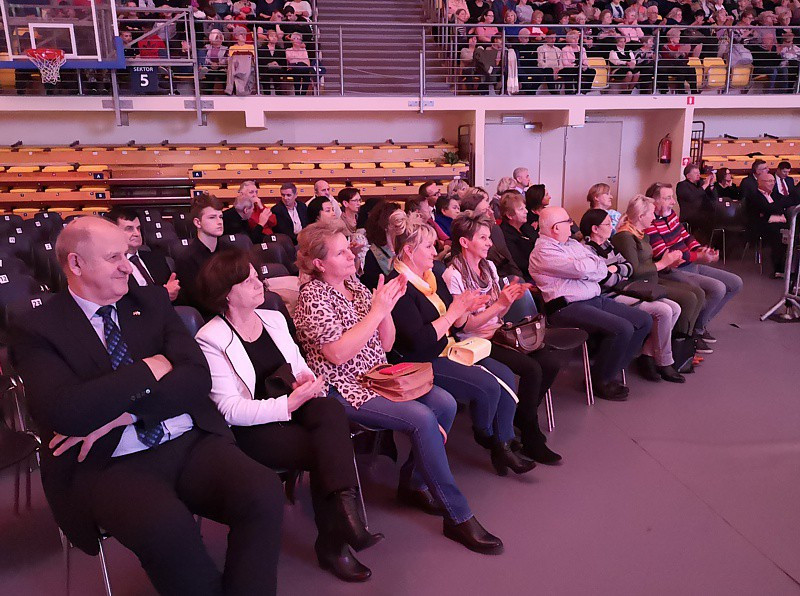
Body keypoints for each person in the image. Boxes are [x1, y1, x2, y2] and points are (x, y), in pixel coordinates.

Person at [11, 217, 284, 595]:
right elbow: (65, 411)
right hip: (110, 464)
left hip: (187, 441)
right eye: (113, 257)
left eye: (127, 254)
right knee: (168, 529)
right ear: (75, 264)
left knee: (262, 490)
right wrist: (150, 367)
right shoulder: (38, 327)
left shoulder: (151, 301)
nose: (127, 265)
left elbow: (195, 378)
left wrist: (125, 412)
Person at [293, 219, 504, 555]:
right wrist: (378, 310)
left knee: (445, 403)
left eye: (350, 248)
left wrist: (385, 309)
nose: (352, 256)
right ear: (319, 263)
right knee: (421, 418)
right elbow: (337, 354)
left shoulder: (357, 287)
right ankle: (458, 515)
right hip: (343, 387)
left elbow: (387, 342)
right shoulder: (312, 298)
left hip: (379, 375)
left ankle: (414, 483)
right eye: (341, 252)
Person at [194, 249, 382, 582]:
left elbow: (298, 366)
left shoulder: (274, 319)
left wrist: (306, 380)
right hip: (253, 429)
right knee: (328, 449)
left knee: (327, 408)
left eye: (256, 274)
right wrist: (289, 405)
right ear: (227, 294)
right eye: (247, 279)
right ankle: (338, 538)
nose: (258, 281)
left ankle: (345, 518)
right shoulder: (210, 338)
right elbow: (231, 410)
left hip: (292, 406)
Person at [386, 213, 542, 470]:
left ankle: (503, 445)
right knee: (490, 386)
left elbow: (458, 322)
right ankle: (488, 436)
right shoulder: (399, 286)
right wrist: (456, 312)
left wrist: (470, 307)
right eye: (428, 246)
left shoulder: (430, 277)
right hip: (420, 360)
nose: (434, 250)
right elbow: (419, 341)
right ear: (408, 250)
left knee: (503, 374)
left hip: (445, 347)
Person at [444, 211, 563, 462]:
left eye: (489, 237)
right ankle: (530, 432)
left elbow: (499, 312)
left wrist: (508, 299)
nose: (490, 243)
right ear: (465, 242)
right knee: (531, 369)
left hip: (497, 331)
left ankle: (523, 414)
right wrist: (499, 304)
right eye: (484, 238)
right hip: (474, 341)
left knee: (551, 362)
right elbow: (464, 325)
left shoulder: (487, 266)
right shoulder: (452, 275)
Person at [529, 207, 652, 400]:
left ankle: (610, 369)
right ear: (555, 228)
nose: (572, 224)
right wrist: (590, 266)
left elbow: (598, 264)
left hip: (594, 298)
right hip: (566, 307)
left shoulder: (571, 244)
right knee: (623, 328)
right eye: (567, 221)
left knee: (644, 320)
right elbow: (580, 269)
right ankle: (600, 381)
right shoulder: (542, 252)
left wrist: (590, 266)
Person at [581, 207, 686, 383]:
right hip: (609, 296)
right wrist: (615, 273)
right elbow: (603, 280)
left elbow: (628, 267)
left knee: (675, 307)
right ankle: (664, 362)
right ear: (595, 229)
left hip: (624, 287)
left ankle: (648, 353)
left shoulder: (609, 245)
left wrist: (614, 270)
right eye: (607, 224)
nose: (612, 227)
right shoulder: (587, 250)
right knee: (663, 311)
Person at [644, 182, 743, 348]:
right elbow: (665, 255)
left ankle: (699, 324)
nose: (673, 202)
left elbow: (685, 236)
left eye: (672, 197)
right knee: (718, 288)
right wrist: (699, 256)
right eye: (668, 198)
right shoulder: (649, 222)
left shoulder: (671, 214)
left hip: (690, 263)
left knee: (735, 283)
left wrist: (700, 248)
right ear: (654, 201)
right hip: (673, 270)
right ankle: (695, 332)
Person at [610, 196, 705, 344]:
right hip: (638, 283)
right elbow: (633, 270)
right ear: (641, 216)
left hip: (651, 278)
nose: (654, 217)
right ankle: (676, 344)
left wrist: (669, 263)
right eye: (652, 213)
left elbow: (648, 262)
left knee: (698, 293)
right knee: (689, 298)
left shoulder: (641, 234)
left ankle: (686, 342)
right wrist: (662, 263)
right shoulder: (625, 237)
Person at [108, 207, 180, 302]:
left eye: (138, 228)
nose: (137, 233)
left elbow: (173, 291)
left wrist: (174, 292)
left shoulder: (156, 258)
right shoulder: (111, 264)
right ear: (113, 232)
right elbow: (126, 298)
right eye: (129, 229)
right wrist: (162, 294)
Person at [175, 192, 227, 309]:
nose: (219, 222)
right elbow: (197, 300)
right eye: (212, 217)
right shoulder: (186, 259)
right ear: (198, 223)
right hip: (208, 315)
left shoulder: (229, 251)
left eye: (221, 217)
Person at [460, 187, 525, 279]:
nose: (491, 212)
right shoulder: (464, 236)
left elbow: (509, 260)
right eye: (485, 211)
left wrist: (519, 279)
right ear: (472, 216)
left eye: (489, 208)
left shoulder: (495, 230)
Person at [745, 172, 791, 276]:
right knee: (778, 234)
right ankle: (778, 269)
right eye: (769, 181)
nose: (772, 183)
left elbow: (781, 207)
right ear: (760, 182)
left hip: (774, 224)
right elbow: (766, 209)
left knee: (788, 230)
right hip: (758, 227)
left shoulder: (775, 195)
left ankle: (789, 267)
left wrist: (773, 215)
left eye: (773, 181)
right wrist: (774, 215)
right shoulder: (754, 196)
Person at [361, 201, 403, 290]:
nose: (402, 223)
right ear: (386, 225)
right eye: (397, 219)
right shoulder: (372, 255)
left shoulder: (406, 248)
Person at [499, 190, 537, 282]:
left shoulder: (526, 227)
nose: (526, 211)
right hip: (525, 276)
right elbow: (520, 263)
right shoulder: (505, 234)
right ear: (509, 215)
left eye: (525, 208)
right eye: (521, 209)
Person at [676, 163, 715, 242]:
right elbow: (692, 197)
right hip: (690, 218)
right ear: (688, 176)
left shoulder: (700, 184)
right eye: (695, 173)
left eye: (699, 173)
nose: (698, 175)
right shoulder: (682, 185)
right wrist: (705, 185)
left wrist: (711, 185)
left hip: (705, 217)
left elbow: (713, 198)